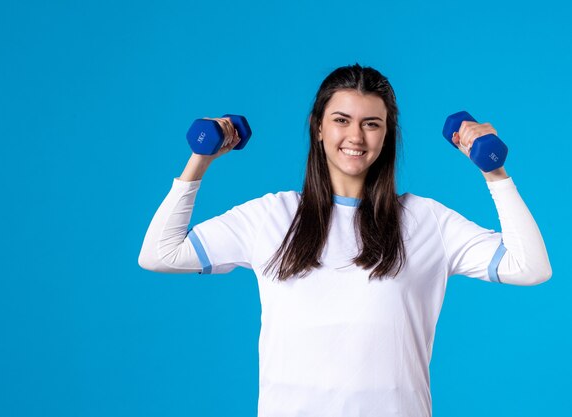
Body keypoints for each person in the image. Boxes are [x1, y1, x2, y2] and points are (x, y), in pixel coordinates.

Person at [138, 64, 552, 417]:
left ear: (386, 135)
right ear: (319, 127)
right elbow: (161, 253)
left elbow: (530, 266)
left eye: (371, 123)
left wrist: (493, 171)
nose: (356, 135)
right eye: (341, 120)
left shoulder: (426, 221)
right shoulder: (271, 216)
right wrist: (200, 159)